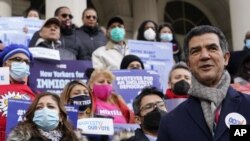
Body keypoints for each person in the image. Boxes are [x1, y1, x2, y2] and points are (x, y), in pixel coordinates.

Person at [157, 25, 250, 141]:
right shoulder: (170, 123)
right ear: (189, 64)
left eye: (212, 48)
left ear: (226, 58)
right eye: (196, 51)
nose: (205, 56)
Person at [0, 44, 36, 141]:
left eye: (26, 62)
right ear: (4, 64)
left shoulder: (36, 94)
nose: (23, 64)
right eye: (17, 59)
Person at [7, 92, 79, 141]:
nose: (45, 110)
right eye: (39, 107)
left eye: (50, 106)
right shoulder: (21, 138)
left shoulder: (73, 138)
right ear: (33, 115)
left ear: (61, 116)